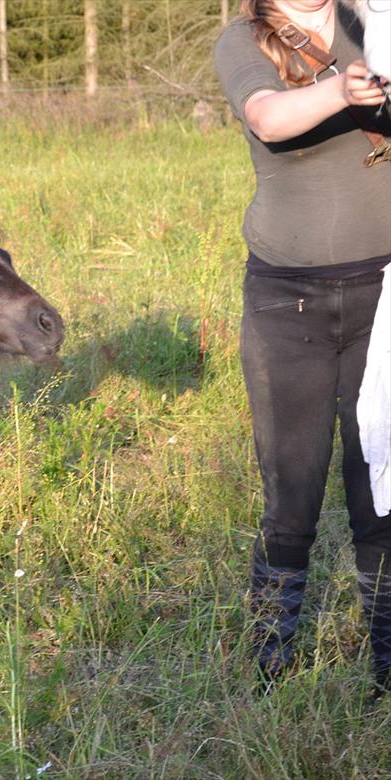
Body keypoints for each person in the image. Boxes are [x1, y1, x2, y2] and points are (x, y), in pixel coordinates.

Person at [214, 0, 391, 695]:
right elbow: (266, 116)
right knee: (292, 491)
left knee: (380, 489)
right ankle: (268, 667)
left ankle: (385, 667)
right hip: (289, 302)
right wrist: (341, 88)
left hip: (385, 298)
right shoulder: (243, 40)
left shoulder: (370, 21)